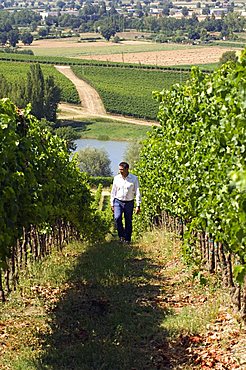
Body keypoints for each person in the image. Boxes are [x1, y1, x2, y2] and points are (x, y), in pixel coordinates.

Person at [110, 161, 141, 243]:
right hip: (118, 201)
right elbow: (113, 191)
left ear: (127, 169)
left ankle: (127, 239)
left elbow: (137, 192)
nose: (120, 171)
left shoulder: (134, 179)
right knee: (117, 218)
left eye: (122, 169)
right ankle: (121, 236)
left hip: (129, 202)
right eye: (119, 169)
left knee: (128, 220)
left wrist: (138, 205)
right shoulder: (116, 178)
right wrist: (112, 203)